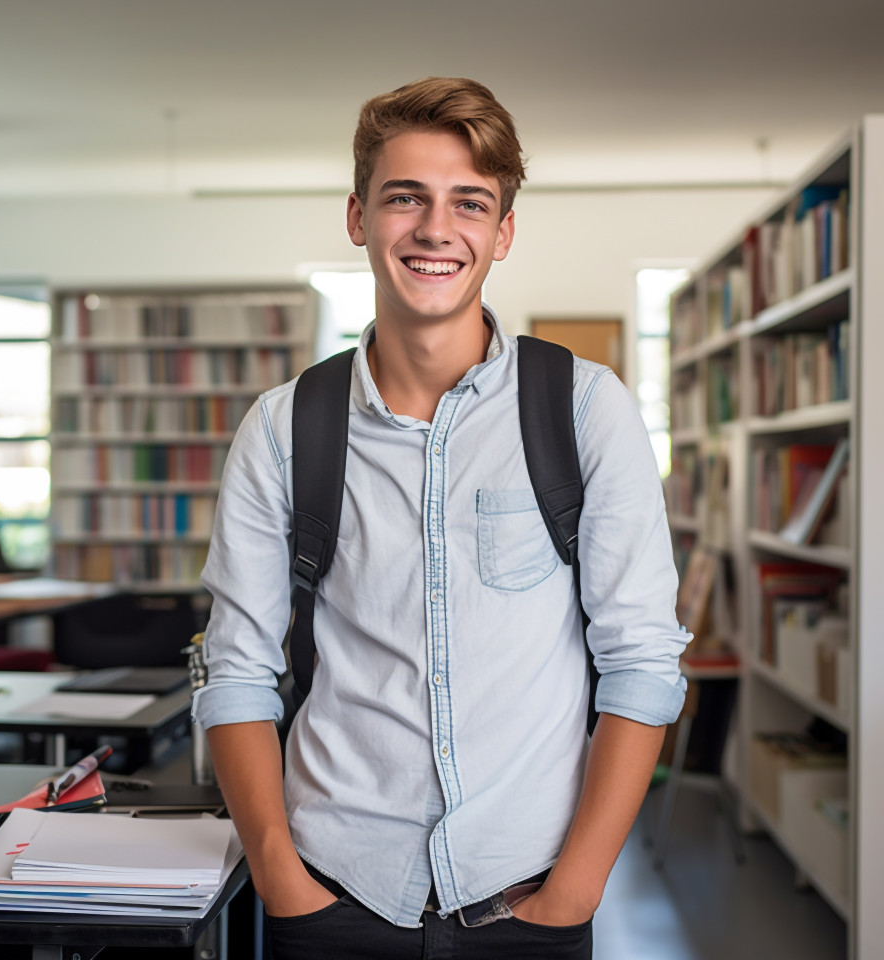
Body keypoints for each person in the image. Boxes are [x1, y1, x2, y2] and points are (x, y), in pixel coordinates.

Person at [194, 77, 690, 959]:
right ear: (358, 216)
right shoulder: (284, 428)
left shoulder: (582, 409)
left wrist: (578, 885)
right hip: (332, 893)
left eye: (469, 203)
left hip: (530, 898)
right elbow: (236, 669)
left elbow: (640, 661)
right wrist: (279, 875)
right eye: (404, 198)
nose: (435, 229)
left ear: (502, 232)